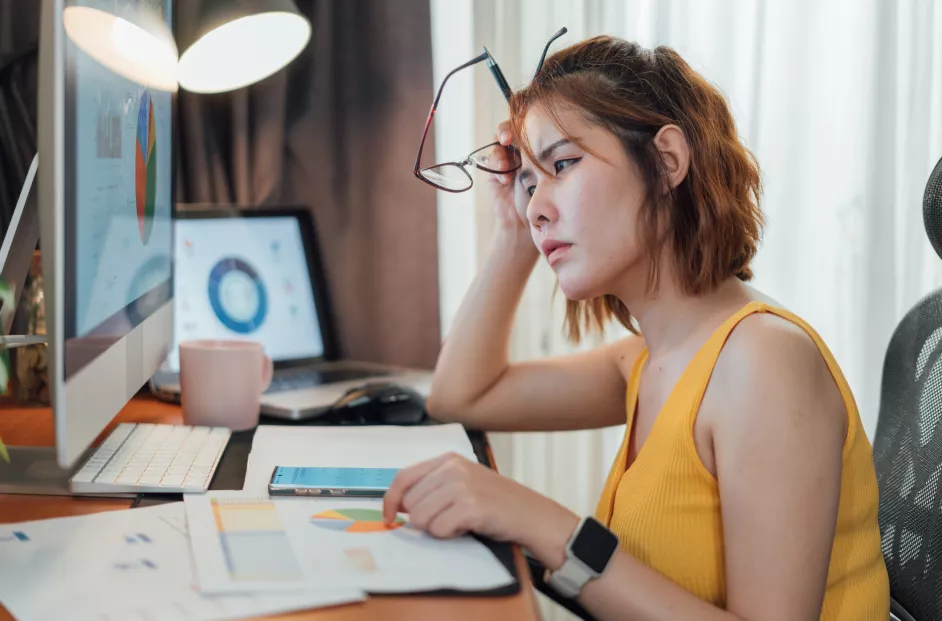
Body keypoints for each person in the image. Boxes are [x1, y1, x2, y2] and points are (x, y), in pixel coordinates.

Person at [382, 35, 889, 620]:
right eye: (528, 183)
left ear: (667, 160)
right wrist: (514, 235)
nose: (536, 205)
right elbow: (461, 395)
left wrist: (540, 521)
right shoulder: (648, 358)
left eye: (562, 164)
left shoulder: (763, 362)